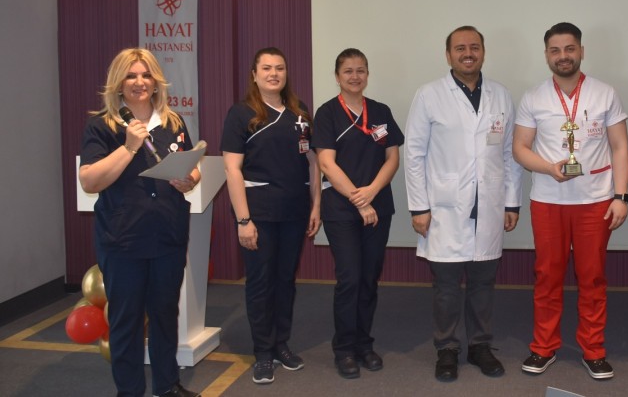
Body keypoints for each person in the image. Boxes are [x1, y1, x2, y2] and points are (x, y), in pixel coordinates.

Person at [79, 48, 201, 397]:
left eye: (146, 75)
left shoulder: (173, 123)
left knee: (164, 315)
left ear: (156, 81)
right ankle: (129, 391)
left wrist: (189, 179)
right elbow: (89, 181)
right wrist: (129, 146)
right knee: (126, 321)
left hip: (167, 236)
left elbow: (191, 166)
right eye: (131, 76)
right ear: (118, 84)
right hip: (123, 240)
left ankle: (167, 386)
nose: (139, 82)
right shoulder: (102, 126)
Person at [513, 22, 628, 381]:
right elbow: (520, 149)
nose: (563, 56)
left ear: (581, 51)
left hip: (595, 201)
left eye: (569, 48)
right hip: (548, 201)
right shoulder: (533, 97)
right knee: (547, 276)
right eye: (555, 50)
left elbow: (620, 147)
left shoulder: (605, 93)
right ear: (546, 55)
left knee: (592, 277)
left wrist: (621, 196)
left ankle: (593, 350)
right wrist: (549, 168)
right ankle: (544, 346)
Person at [405, 25, 522, 382]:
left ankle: (480, 346)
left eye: (474, 47)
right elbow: (413, 154)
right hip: (444, 207)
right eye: (460, 48)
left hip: (489, 205)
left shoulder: (501, 96)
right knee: (446, 288)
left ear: (483, 52)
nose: (467, 53)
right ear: (448, 55)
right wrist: (419, 207)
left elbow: (509, 154)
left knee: (483, 285)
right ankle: (447, 349)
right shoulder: (428, 95)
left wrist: (512, 203)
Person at [221, 47, 322, 385]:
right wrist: (243, 220)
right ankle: (263, 351)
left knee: (285, 280)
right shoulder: (241, 114)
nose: (273, 74)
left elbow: (312, 162)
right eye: (266, 68)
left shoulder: (299, 112)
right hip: (259, 212)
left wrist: (316, 205)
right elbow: (232, 169)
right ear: (254, 74)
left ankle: (281, 344)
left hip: (294, 210)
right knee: (261, 282)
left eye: (279, 68)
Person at [312, 48, 404, 379]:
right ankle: (344, 349)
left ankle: (365, 344)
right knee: (349, 278)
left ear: (367, 74)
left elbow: (392, 158)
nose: (355, 76)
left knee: (368, 278)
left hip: (378, 206)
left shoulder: (380, 111)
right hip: (342, 209)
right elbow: (326, 163)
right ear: (337, 76)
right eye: (348, 71)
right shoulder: (327, 113)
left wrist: (372, 193)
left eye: (361, 70)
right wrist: (359, 201)